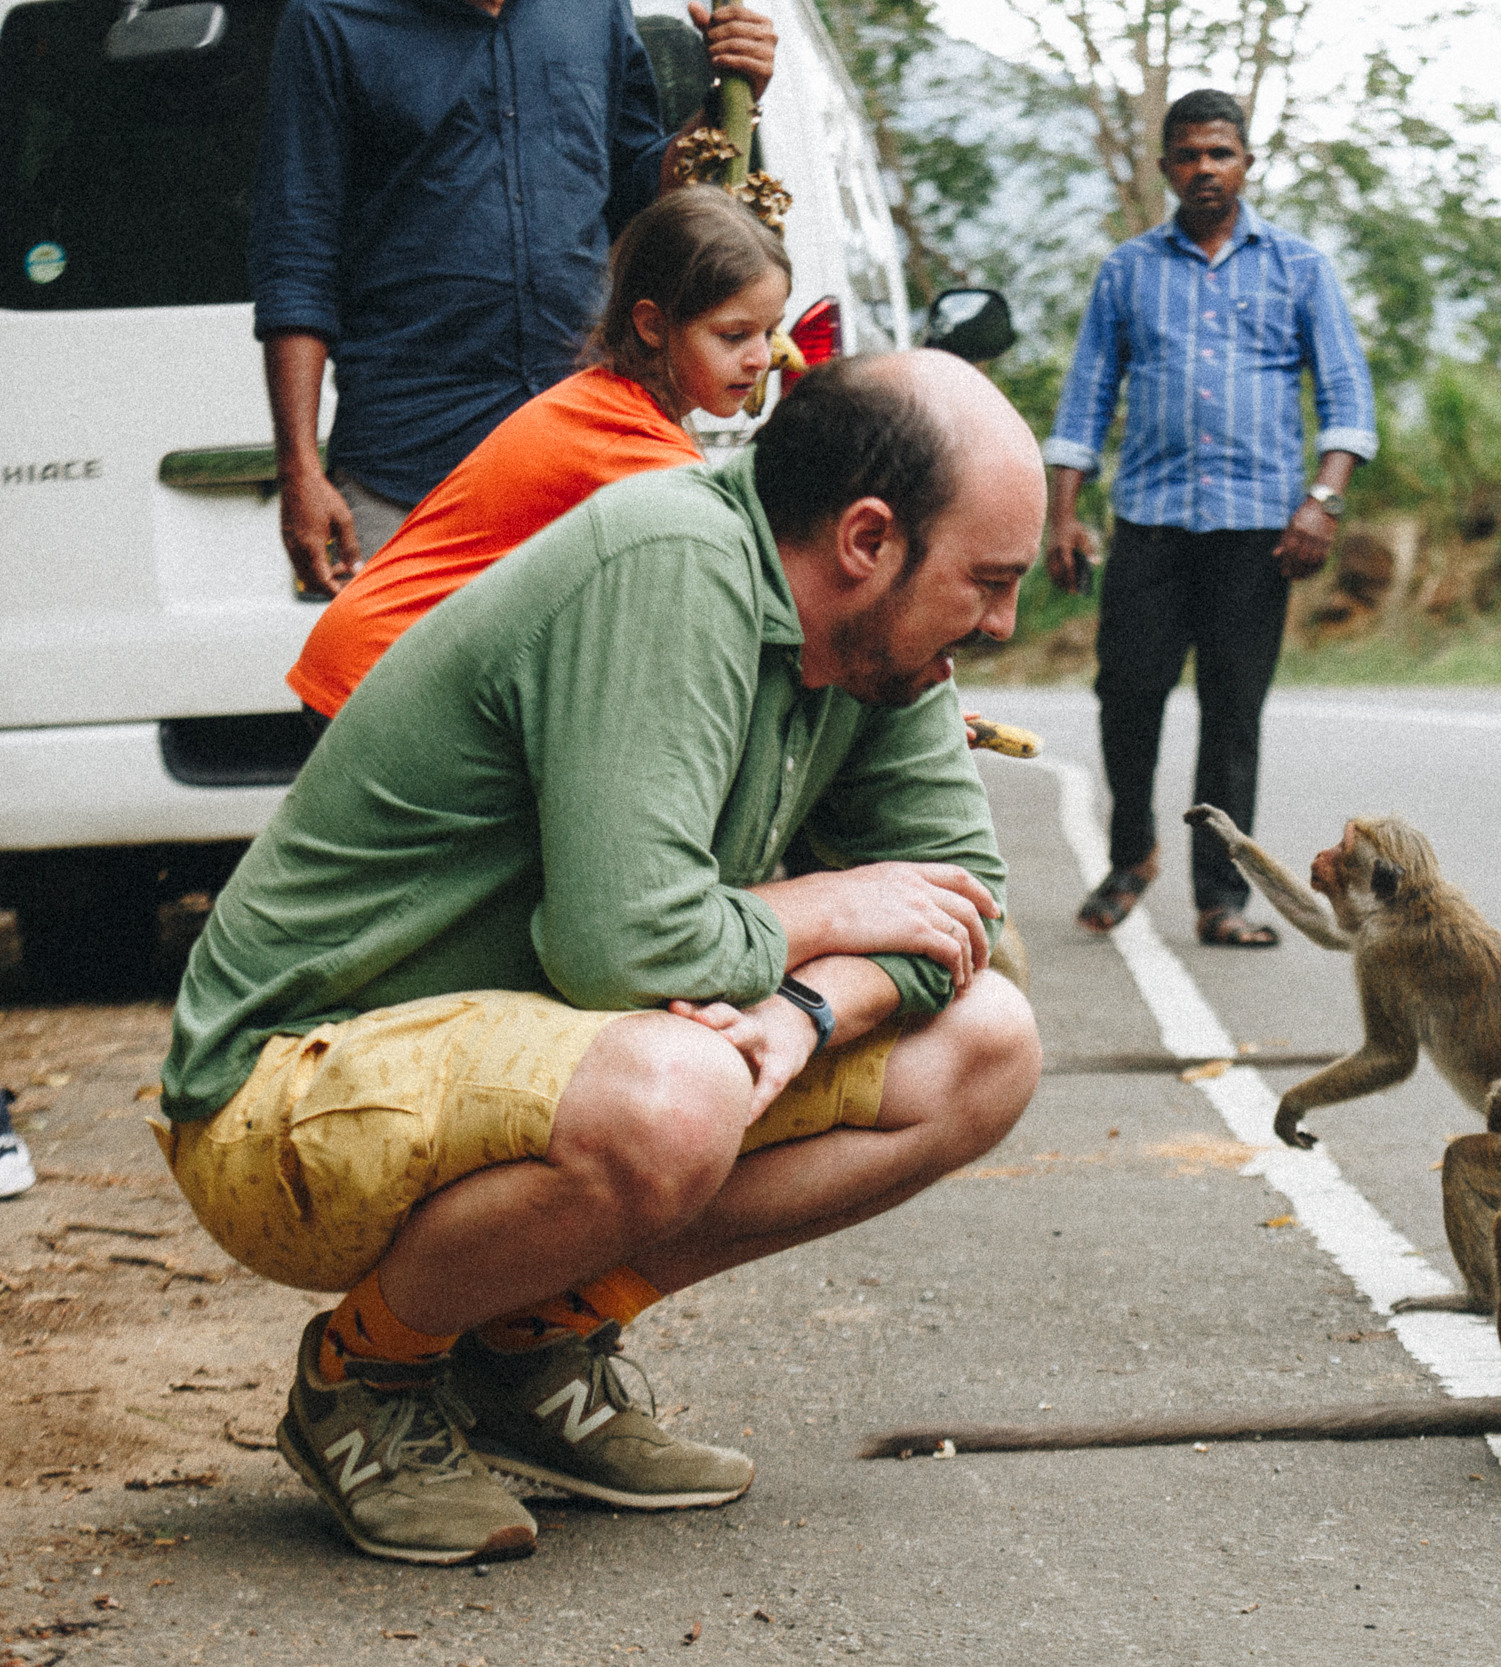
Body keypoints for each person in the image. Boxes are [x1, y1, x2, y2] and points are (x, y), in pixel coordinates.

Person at [154, 352, 1045, 1567]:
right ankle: (364, 1379)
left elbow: (965, 904)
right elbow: (628, 945)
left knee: (986, 1042)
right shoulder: (673, 564)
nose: (1000, 626)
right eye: (987, 582)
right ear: (867, 539)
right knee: (678, 1091)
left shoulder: (882, 650)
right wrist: (831, 901)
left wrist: (806, 1008)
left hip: (533, 1063)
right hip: (292, 1086)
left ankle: (525, 1349)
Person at [250, 0, 778, 598]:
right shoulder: (328, 19)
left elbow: (640, 197)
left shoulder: (597, 10)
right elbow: (296, 251)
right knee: (391, 661)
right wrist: (298, 468)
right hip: (409, 469)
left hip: (586, 456)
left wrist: (727, 102)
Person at [1042, 88, 1378, 947]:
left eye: (1220, 153)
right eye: (1188, 154)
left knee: (1232, 716)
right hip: (1150, 523)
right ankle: (1132, 855)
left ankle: (1222, 898)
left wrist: (1322, 502)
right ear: (1165, 168)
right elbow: (1085, 401)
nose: (1204, 169)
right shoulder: (1127, 271)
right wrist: (1062, 518)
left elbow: (1347, 398)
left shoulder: (1300, 268)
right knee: (1126, 697)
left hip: (1258, 531)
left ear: (1246, 164)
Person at [287, 186, 791, 720]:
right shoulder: (638, 449)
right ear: (651, 326)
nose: (761, 357)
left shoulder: (603, 401)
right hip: (379, 672)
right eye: (734, 336)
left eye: (770, 332)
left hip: (375, 658)